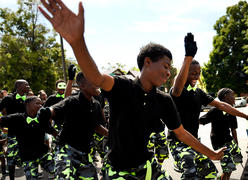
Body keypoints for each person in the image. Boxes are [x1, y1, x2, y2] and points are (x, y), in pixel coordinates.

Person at [39, 1, 225, 179]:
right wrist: (77, 41)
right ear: (147, 62)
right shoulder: (122, 86)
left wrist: (212, 154)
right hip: (117, 171)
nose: (169, 73)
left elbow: (181, 133)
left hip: (146, 167)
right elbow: (96, 77)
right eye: (166, 66)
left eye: (170, 69)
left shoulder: (163, 100)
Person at [169, 33, 248, 179]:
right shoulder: (178, 91)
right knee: (190, 172)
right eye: (193, 73)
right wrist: (188, 58)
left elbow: (221, 105)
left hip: (195, 141)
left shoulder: (199, 93)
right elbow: (177, 87)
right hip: (178, 142)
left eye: (199, 73)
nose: (196, 76)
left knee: (210, 173)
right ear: (185, 73)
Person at [37, 72, 108, 179]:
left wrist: (111, 135)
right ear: (82, 86)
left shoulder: (96, 104)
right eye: (93, 82)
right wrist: (53, 131)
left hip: (85, 153)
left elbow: (96, 126)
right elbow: (49, 113)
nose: (97, 84)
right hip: (67, 151)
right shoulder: (72, 101)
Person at [0, 96, 57, 180]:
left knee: (61, 172)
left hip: (43, 154)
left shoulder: (42, 119)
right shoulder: (17, 118)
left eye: (41, 104)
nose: (40, 106)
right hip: (28, 158)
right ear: (27, 104)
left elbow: (53, 132)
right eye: (37, 103)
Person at [199, 88, 243, 180]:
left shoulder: (232, 111)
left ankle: (224, 178)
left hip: (229, 140)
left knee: (233, 165)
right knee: (227, 168)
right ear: (225, 96)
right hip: (219, 142)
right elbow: (201, 121)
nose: (234, 97)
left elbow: (233, 130)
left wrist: (236, 145)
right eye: (232, 95)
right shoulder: (215, 110)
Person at [0, 79, 30, 180]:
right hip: (13, 134)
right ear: (19, 86)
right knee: (11, 159)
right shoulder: (8, 98)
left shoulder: (30, 99)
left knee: (28, 159)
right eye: (26, 85)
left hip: (27, 134)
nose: (28, 86)